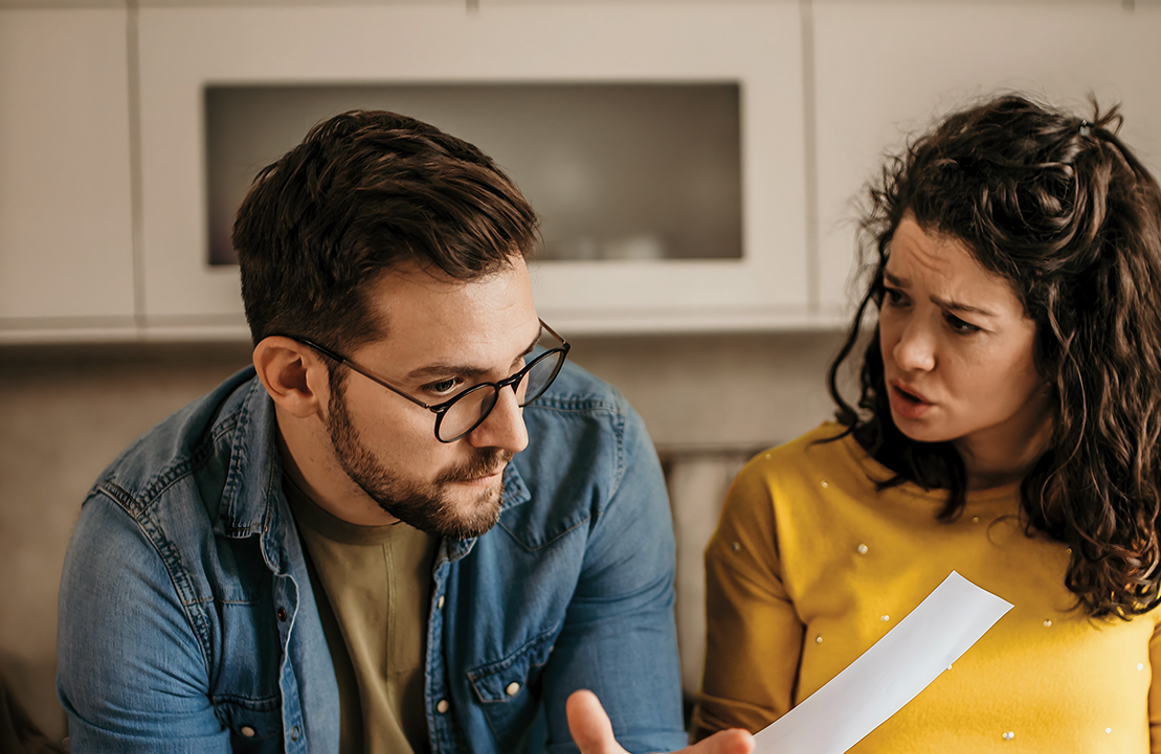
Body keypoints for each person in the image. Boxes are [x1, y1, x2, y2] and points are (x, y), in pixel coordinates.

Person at [56, 109, 752, 754]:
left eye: (519, 365)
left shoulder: (599, 465)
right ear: (296, 378)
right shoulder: (143, 554)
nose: (513, 434)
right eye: (447, 386)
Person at [692, 94, 1161, 752]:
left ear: (1071, 344)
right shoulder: (781, 504)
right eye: (896, 297)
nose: (907, 351)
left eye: (961, 323)